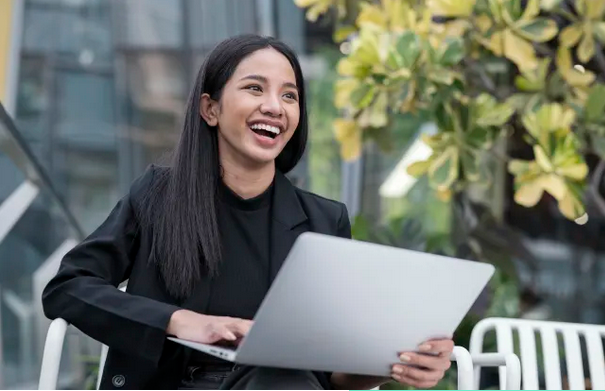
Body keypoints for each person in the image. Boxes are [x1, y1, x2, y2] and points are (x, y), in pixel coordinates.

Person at [42, 34, 454, 390]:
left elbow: (330, 376)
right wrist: (180, 321)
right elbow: (68, 287)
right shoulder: (156, 196)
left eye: (289, 95)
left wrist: (394, 365)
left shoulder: (324, 221)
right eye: (255, 89)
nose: (275, 106)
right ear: (211, 109)